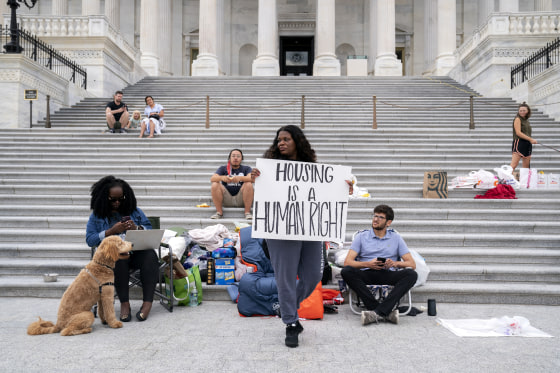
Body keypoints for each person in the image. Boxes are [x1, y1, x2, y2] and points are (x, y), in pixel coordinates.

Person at [251, 125, 353, 348]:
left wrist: (344, 189)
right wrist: (256, 180)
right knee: (285, 280)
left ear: (298, 141)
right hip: (279, 231)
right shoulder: (269, 170)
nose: (281, 143)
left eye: (286, 139)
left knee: (313, 276)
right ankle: (290, 323)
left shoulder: (313, 170)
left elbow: (329, 194)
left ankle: (286, 307)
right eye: (279, 139)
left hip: (309, 229)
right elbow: (262, 197)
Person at [86, 176, 159, 322]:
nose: (117, 202)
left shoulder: (135, 211)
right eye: (113, 199)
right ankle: (125, 304)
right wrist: (110, 231)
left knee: (150, 255)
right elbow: (90, 239)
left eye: (121, 199)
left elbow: (149, 228)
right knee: (118, 257)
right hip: (114, 259)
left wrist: (137, 228)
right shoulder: (97, 216)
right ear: (104, 198)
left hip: (136, 252)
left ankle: (147, 303)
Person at [341, 204, 417, 326]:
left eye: (380, 217)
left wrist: (395, 263)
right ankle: (384, 311)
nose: (375, 219)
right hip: (367, 272)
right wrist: (368, 264)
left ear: (388, 222)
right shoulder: (361, 237)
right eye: (374, 216)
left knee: (411, 274)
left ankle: (376, 312)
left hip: (388, 273)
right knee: (346, 271)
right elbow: (347, 262)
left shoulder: (396, 238)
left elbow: (411, 264)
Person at [210, 149, 254, 220]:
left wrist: (240, 178)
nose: (235, 158)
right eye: (233, 156)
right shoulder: (223, 168)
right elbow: (212, 178)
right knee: (215, 184)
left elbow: (252, 179)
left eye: (238, 156)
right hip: (227, 198)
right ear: (229, 158)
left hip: (241, 198)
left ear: (241, 158)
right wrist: (222, 177)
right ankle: (219, 213)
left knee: (248, 184)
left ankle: (247, 213)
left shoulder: (246, 168)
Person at [510, 102, 537, 171]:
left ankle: (524, 181)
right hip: (519, 142)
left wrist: (530, 141)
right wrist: (530, 139)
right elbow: (518, 133)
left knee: (526, 167)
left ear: (528, 111)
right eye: (520, 111)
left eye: (524, 110)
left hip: (527, 144)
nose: (522, 112)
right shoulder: (517, 119)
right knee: (513, 165)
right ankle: (506, 180)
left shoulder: (526, 121)